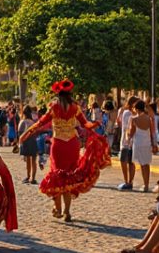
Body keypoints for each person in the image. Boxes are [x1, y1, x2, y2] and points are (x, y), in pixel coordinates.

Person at [17, 79, 109, 222]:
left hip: (59, 144)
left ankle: (58, 209)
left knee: (57, 176)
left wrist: (25, 134)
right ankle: (67, 211)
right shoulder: (75, 108)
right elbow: (87, 125)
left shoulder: (53, 107)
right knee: (69, 176)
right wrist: (97, 123)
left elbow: (40, 123)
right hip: (72, 144)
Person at [128, 99, 158, 192]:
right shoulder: (149, 119)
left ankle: (144, 185)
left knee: (141, 164)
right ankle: (146, 185)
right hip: (147, 143)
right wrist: (154, 144)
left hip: (138, 143)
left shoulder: (134, 119)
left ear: (136, 109)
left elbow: (131, 133)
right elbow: (153, 133)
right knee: (146, 164)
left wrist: (127, 136)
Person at [117, 96, 136, 190]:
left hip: (127, 141)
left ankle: (127, 181)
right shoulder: (128, 113)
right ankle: (129, 181)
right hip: (128, 140)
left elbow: (121, 123)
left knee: (125, 161)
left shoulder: (126, 112)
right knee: (129, 162)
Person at [17, 107, 39, 184]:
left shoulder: (23, 122)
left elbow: (20, 132)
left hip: (26, 141)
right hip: (33, 141)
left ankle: (28, 176)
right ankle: (33, 178)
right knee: (34, 160)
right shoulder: (33, 122)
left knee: (28, 160)